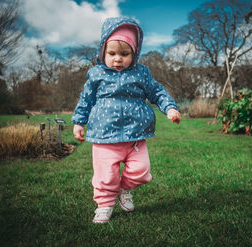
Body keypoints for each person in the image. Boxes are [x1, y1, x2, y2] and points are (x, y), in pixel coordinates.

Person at [72, 16, 181, 224]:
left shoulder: (141, 73)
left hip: (135, 136)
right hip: (105, 137)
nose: (118, 59)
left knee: (141, 172)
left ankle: (124, 189)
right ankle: (104, 205)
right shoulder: (96, 74)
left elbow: (157, 92)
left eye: (125, 54)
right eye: (112, 54)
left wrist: (170, 108)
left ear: (135, 53)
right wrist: (79, 121)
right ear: (103, 51)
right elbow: (86, 99)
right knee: (106, 176)